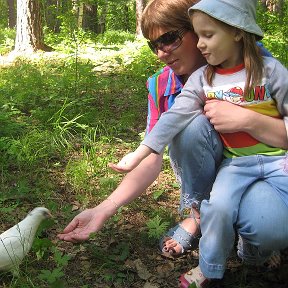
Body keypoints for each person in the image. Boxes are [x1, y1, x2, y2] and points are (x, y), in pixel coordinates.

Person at [58, 0, 287, 281]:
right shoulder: (163, 85)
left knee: (267, 229)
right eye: (153, 45)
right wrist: (104, 209)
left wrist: (249, 120)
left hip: (269, 164)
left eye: (169, 39)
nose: (161, 52)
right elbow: (153, 154)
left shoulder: (256, 65)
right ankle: (200, 216)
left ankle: (252, 234)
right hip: (231, 171)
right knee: (191, 125)